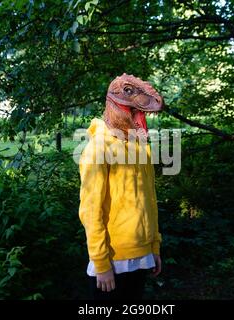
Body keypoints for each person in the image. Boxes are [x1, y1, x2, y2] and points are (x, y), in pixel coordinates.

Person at [78, 74, 164, 300]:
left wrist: (154, 247)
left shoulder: (140, 146)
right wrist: (100, 262)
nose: (139, 116)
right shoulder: (97, 148)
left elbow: (149, 200)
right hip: (112, 262)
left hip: (142, 255)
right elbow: (90, 211)